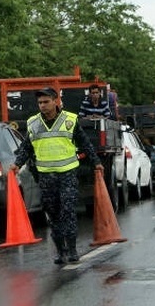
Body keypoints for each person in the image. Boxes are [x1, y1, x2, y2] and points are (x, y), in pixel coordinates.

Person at [10, 87, 103, 265]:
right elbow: (27, 147)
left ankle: (73, 250)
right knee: (52, 214)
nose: (42, 106)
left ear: (55, 101)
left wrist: (96, 162)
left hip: (67, 173)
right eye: (40, 103)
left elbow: (84, 143)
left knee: (67, 211)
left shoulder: (70, 120)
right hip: (46, 177)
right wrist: (17, 164)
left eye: (46, 102)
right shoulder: (33, 123)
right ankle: (61, 251)